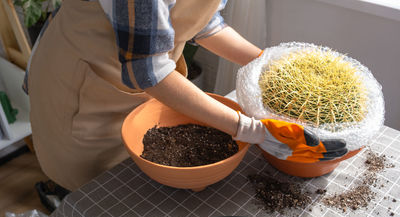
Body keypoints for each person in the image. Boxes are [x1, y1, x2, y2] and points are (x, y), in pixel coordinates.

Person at [24, 0, 347, 192]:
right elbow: (147, 71)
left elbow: (203, 22)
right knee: (93, 182)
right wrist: (251, 130)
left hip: (140, 76)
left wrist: (267, 62)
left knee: (137, 162)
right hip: (82, 79)